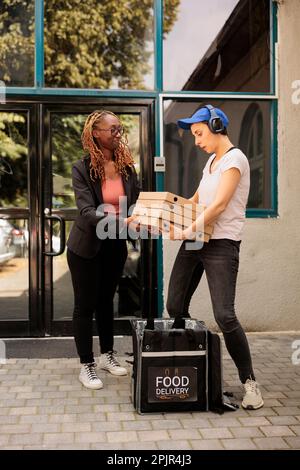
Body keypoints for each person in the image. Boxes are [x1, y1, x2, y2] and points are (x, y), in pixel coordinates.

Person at [166, 104, 264, 410]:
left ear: (216, 125)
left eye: (199, 133)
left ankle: (250, 385)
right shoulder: (211, 161)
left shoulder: (234, 160)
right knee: (175, 305)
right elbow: (195, 200)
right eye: (193, 135)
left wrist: (188, 230)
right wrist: (161, 214)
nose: (195, 141)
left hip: (221, 243)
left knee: (224, 315)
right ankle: (190, 363)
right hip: (197, 239)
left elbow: (219, 205)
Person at [67, 110, 140, 390]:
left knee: (106, 303)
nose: (118, 133)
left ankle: (107, 356)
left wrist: (148, 218)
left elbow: (138, 203)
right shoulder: (82, 168)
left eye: (120, 128)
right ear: (96, 133)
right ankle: (86, 365)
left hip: (114, 246)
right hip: (86, 248)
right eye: (113, 129)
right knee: (85, 306)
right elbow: (86, 212)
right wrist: (123, 220)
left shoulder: (127, 167)